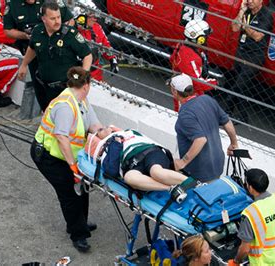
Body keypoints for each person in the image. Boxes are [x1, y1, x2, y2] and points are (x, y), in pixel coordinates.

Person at [30, 67, 102, 253]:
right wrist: (73, 166)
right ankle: (78, 234)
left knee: (82, 188)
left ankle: (81, 223)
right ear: (86, 85)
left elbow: (94, 125)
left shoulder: (82, 100)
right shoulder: (65, 106)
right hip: (49, 157)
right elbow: (61, 138)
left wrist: (107, 135)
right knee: (69, 193)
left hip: (66, 155)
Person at [18, 1, 92, 111]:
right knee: (47, 114)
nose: (57, 21)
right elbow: (32, 48)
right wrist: (24, 65)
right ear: (44, 19)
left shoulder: (70, 34)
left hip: (66, 88)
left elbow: (87, 55)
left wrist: (83, 78)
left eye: (59, 17)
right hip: (45, 87)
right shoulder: (38, 31)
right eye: (53, 19)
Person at [4, 0, 74, 110]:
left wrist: (58, 34)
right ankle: (46, 115)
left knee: (61, 87)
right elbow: (8, 30)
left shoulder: (51, 1)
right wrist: (25, 35)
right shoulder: (13, 4)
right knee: (40, 89)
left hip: (57, 51)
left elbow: (70, 21)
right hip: (33, 52)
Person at [95, 127, 193, 203]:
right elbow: (112, 170)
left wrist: (117, 135)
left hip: (149, 152)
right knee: (129, 178)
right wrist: (114, 144)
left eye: (106, 127)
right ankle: (170, 188)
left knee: (156, 172)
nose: (105, 127)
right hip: (132, 165)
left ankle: (196, 184)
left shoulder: (128, 131)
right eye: (99, 130)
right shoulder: (105, 150)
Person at [170, 73, 238, 182]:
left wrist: (183, 162)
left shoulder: (186, 115)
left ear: (174, 91)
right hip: (217, 165)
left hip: (198, 173)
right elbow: (227, 122)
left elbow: (200, 140)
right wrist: (234, 144)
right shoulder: (207, 100)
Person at [229, 168, 275, 266]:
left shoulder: (250, 213)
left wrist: (236, 262)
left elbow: (245, 249)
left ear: (251, 188)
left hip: (265, 263)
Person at [225, 0, 273, 121]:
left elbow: (258, 36)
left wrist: (245, 27)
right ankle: (237, 114)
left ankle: (228, 111)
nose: (249, 1)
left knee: (239, 85)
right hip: (241, 51)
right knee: (236, 82)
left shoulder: (266, 15)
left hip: (255, 56)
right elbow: (234, 28)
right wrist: (241, 11)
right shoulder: (246, 12)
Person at [170, 19, 218, 112]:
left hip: (185, 90)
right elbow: (197, 82)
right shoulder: (190, 56)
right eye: (205, 36)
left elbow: (172, 59)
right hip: (187, 95)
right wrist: (215, 82)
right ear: (200, 39)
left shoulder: (182, 45)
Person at [73, 5, 118, 81]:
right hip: (75, 72)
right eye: (92, 16)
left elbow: (105, 45)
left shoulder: (97, 27)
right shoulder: (72, 31)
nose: (95, 19)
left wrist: (112, 59)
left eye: (96, 16)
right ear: (81, 18)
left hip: (95, 73)